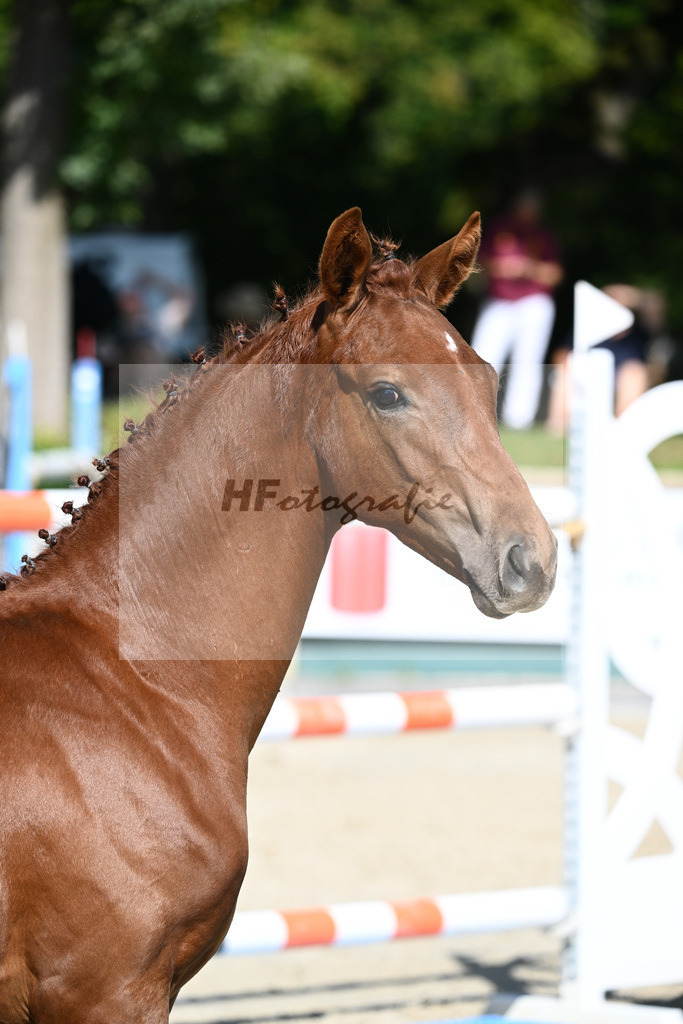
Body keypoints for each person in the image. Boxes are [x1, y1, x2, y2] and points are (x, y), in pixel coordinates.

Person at [471, 190, 563, 429]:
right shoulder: (500, 228)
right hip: (499, 301)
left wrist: (529, 269)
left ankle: (518, 421)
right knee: (483, 356)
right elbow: (479, 262)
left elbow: (555, 274)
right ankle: (474, 413)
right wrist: (503, 267)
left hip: (534, 302)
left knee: (527, 361)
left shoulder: (544, 235)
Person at [546, 284, 656, 433]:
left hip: (622, 376)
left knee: (634, 374)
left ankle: (624, 429)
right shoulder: (588, 328)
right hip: (589, 374)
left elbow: (655, 306)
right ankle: (559, 427)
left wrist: (635, 297)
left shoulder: (638, 333)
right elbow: (562, 354)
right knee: (565, 374)